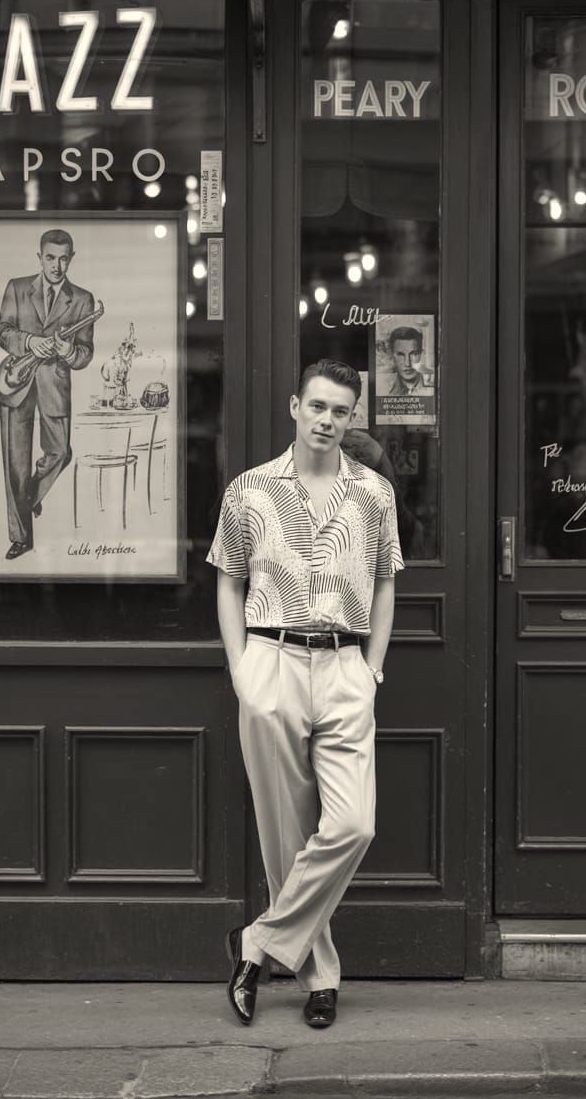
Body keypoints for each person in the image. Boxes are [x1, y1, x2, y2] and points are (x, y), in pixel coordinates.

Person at [207, 358, 404, 1030]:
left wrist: (372, 669)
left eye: (340, 411)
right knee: (284, 838)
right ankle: (320, 977)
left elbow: (385, 582)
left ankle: (256, 943)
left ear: (352, 418)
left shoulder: (374, 493)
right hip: (272, 661)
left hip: (345, 666)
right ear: (295, 406)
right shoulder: (249, 490)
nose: (327, 420)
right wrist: (242, 671)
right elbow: (228, 580)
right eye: (317, 406)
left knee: (353, 824)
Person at [0, 229, 95, 559]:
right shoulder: (17, 287)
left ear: (71, 259)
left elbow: (85, 353)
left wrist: (69, 352)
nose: (56, 265)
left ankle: (28, 499)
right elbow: (2, 331)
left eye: (63, 259)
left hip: (55, 385)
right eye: (50, 258)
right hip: (16, 382)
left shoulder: (83, 299)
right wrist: (28, 342)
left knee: (60, 453)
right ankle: (21, 538)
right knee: (16, 465)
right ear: (40, 258)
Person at [386, 326, 433, 396]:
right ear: (392, 356)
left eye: (414, 354)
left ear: (422, 354)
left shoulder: (435, 385)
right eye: (400, 355)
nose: (407, 364)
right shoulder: (381, 387)